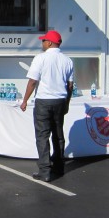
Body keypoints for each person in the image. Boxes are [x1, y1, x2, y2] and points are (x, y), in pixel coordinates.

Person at [20, 30, 74, 182]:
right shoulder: (68, 60)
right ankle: (59, 166)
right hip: (60, 101)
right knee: (58, 134)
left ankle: (44, 171)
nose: (42, 43)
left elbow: (32, 81)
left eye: (43, 41)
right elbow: (70, 86)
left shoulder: (40, 58)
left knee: (42, 135)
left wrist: (24, 100)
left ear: (49, 43)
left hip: (44, 101)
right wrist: (67, 104)